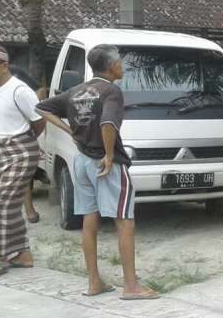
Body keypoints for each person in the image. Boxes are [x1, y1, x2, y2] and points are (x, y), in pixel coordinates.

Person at [37, 45, 159, 300]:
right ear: (111, 65)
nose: (122, 66)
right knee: (124, 220)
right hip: (106, 164)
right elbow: (107, 123)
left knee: (88, 221)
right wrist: (110, 154)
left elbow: (43, 108)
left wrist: (70, 130)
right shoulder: (111, 91)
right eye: (120, 62)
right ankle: (131, 286)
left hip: (80, 161)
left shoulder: (75, 91)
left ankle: (94, 282)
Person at [0, 44, 45, 277]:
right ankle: (21, 254)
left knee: (1, 203)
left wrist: (23, 141)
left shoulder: (19, 90)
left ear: (4, 66)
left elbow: (40, 120)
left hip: (20, 152)